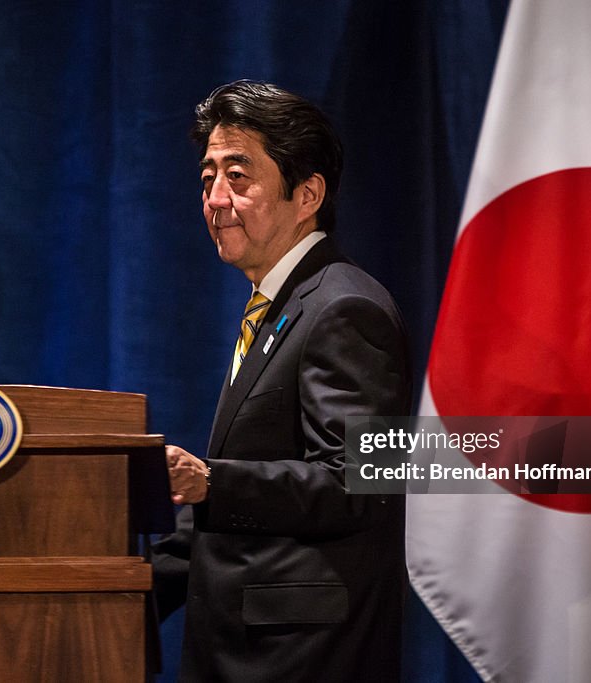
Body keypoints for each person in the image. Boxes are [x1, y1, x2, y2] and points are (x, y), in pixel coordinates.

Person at [152, 80, 412, 682]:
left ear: (307, 194)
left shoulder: (347, 308)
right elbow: (234, 486)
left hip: (298, 658)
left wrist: (210, 481)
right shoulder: (281, 305)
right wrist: (125, 588)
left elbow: (358, 483)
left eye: (238, 177)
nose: (215, 198)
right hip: (245, 647)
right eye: (207, 177)